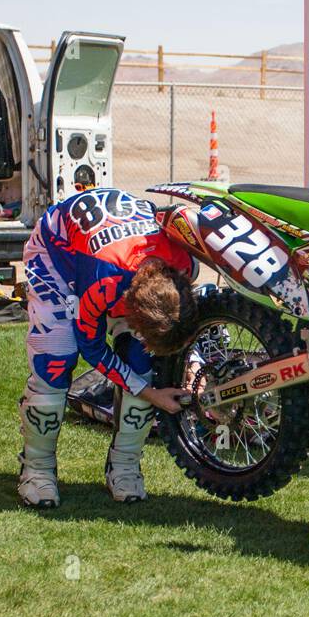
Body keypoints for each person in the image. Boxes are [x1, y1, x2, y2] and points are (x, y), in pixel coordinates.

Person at [18, 188, 199, 509]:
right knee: (55, 363)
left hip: (119, 256)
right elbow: (92, 349)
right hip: (57, 256)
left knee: (143, 360)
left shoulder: (183, 262)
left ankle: (125, 465)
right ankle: (37, 468)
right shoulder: (104, 283)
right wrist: (150, 394)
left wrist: (190, 363)